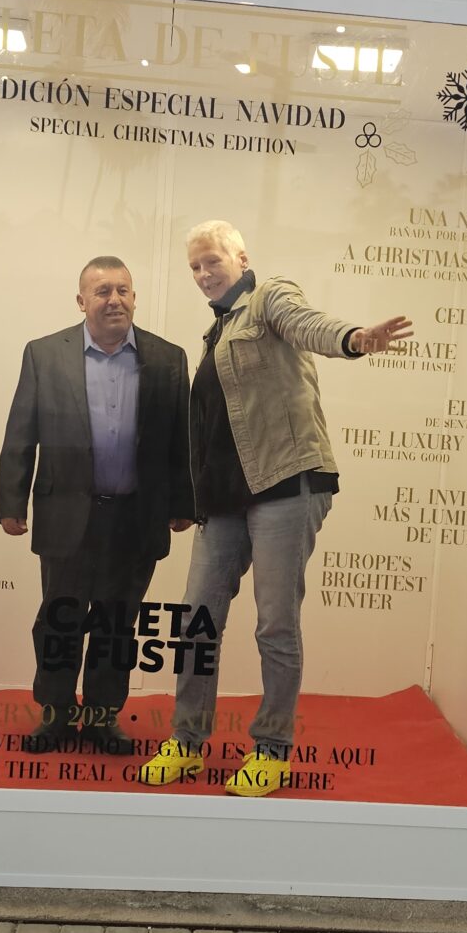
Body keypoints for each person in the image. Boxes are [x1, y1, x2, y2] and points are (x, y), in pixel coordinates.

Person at [138, 220, 411, 797]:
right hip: (225, 499)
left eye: (212, 261)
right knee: (195, 623)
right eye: (194, 267)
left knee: (275, 624)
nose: (203, 273)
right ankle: (187, 740)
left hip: (286, 482)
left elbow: (308, 323)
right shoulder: (215, 332)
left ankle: (271, 749)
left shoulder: (269, 298)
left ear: (241, 258)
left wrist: (355, 337)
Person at [0, 257, 193, 756]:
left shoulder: (168, 359)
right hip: (65, 514)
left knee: (116, 624)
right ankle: (56, 715)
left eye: (123, 290)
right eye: (102, 291)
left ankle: (104, 718)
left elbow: (181, 441)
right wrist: (11, 501)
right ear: (81, 301)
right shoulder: (44, 354)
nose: (114, 300)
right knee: (60, 619)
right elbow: (21, 431)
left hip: (135, 517)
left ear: (135, 298)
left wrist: (183, 502)